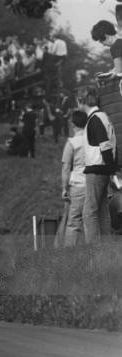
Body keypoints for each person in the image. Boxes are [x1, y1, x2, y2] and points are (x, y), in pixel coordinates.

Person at [77, 87, 117, 243]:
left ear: (82, 101)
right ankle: (107, 251)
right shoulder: (102, 116)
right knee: (102, 212)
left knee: (89, 213)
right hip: (104, 169)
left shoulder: (94, 119)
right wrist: (112, 168)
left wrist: (110, 167)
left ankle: (94, 253)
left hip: (96, 169)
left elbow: (105, 145)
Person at [61, 110, 88, 247]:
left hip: (77, 185)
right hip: (94, 184)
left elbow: (66, 168)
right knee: (92, 222)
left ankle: (69, 257)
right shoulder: (93, 139)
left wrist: (64, 188)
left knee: (74, 223)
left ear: (72, 124)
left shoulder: (72, 143)